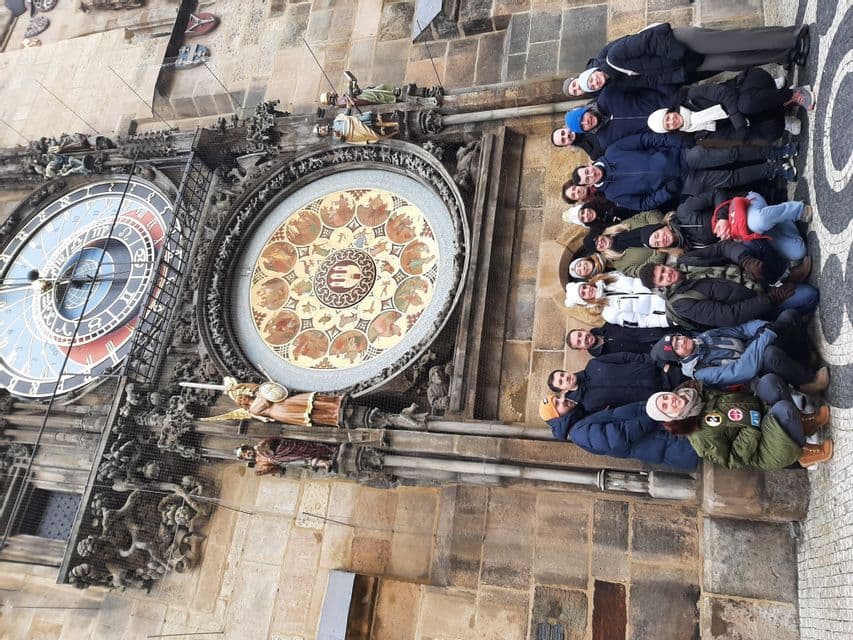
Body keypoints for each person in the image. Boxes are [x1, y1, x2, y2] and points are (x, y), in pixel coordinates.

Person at [563, 23, 810, 96]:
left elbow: (650, 40)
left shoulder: (613, 56)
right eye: (590, 88)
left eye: (589, 80)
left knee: (738, 40)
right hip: (684, 64)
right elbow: (653, 78)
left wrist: (680, 55)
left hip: (680, 43)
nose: (594, 82)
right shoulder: (618, 83)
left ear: (588, 73)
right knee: (734, 61)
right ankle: (784, 54)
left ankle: (793, 35)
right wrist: (681, 73)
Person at [571, 132, 798, 211]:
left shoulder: (613, 151)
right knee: (731, 178)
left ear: (589, 166)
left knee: (731, 154)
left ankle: (777, 151)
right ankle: (775, 169)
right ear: (588, 185)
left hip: (681, 156)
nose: (590, 176)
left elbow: (645, 139)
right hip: (684, 183)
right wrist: (666, 192)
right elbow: (643, 203)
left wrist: (674, 143)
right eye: (586, 180)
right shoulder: (612, 194)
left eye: (587, 172)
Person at [646, 374, 833, 469]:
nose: (670, 401)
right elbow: (733, 460)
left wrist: (753, 409)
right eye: (665, 407)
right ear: (669, 417)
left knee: (769, 382)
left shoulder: (698, 393)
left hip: (758, 413)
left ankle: (803, 424)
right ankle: (803, 452)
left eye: (665, 398)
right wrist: (752, 427)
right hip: (761, 447)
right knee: (783, 410)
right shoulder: (699, 437)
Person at [649, 312, 829, 392]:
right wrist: (764, 337)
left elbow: (740, 330)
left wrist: (761, 328)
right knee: (770, 353)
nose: (681, 342)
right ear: (679, 358)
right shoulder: (700, 372)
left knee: (788, 316)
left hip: (752, 344)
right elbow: (742, 371)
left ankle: (804, 358)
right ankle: (808, 382)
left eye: (678, 338)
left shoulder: (703, 337)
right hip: (755, 374)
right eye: (677, 347)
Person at [646, 68, 814, 142]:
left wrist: (740, 124)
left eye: (667, 118)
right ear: (671, 130)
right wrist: (742, 132)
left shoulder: (690, 97)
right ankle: (783, 118)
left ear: (668, 111)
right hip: (750, 110)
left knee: (745, 105)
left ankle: (792, 94)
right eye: (668, 125)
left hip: (749, 83)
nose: (672, 121)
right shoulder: (694, 134)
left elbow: (725, 94)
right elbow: (726, 134)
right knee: (764, 133)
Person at [638, 263, 819, 330]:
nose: (666, 274)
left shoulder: (685, 265)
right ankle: (794, 322)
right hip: (758, 309)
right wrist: (771, 299)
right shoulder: (682, 303)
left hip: (754, 283)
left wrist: (744, 261)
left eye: (663, 270)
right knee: (810, 295)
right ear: (658, 287)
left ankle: (787, 278)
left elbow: (719, 251)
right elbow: (730, 315)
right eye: (661, 278)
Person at [566, 401, 700, 470]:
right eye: (557, 404)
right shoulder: (579, 433)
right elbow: (618, 437)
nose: (562, 399)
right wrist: (653, 415)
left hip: (667, 436)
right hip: (670, 443)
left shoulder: (581, 422)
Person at [546, 352, 675, 414]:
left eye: (562, 375)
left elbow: (626, 357)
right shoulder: (588, 405)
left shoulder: (593, 364)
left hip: (664, 372)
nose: (565, 378)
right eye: (561, 382)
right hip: (662, 399)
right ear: (563, 390)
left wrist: (658, 363)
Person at [563, 84, 674, 150]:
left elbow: (641, 84)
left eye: (582, 118)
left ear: (584, 110)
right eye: (582, 126)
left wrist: (671, 95)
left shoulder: (608, 95)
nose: (586, 122)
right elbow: (642, 143)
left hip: (670, 100)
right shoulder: (606, 141)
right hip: (671, 129)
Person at [203, 377, 344, 427]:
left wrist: (240, 386)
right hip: (280, 411)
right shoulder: (253, 409)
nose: (243, 398)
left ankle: (335, 404)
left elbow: (258, 388)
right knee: (311, 413)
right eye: (240, 400)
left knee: (309, 401)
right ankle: (334, 416)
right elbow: (266, 398)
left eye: (242, 396)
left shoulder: (255, 396)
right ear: (242, 405)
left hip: (283, 404)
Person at [564, 272, 672, 328]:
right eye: (583, 294)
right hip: (668, 309)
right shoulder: (608, 314)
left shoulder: (609, 279)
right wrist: (668, 320)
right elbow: (641, 321)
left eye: (584, 287)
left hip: (668, 286)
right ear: (585, 301)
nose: (588, 290)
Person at [235, 437, 339, 474]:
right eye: (245, 456)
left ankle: (331, 450)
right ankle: (325, 463)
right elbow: (273, 468)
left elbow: (272, 441)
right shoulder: (259, 461)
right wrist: (264, 471)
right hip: (287, 461)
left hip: (286, 450)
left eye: (246, 451)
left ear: (248, 448)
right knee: (306, 462)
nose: (248, 454)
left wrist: (265, 448)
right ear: (246, 458)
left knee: (309, 450)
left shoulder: (259, 445)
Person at [567, 324, 671, 357]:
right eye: (579, 342)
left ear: (582, 330)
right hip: (661, 352)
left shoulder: (608, 324)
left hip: (661, 331)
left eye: (580, 334)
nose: (583, 339)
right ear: (581, 349)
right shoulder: (604, 359)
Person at [314, 112, 399, 144]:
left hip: (356, 122)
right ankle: (396, 128)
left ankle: (394, 121)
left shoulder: (336, 121)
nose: (322, 129)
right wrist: (338, 136)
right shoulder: (333, 138)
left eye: (320, 127)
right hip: (356, 133)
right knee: (376, 130)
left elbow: (346, 116)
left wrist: (348, 107)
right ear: (323, 135)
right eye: (320, 131)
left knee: (375, 122)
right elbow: (341, 140)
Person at [561, 197, 634, 234]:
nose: (586, 215)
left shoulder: (600, 199)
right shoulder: (600, 229)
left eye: (583, 212)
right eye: (583, 218)